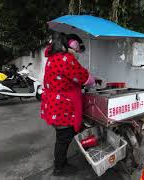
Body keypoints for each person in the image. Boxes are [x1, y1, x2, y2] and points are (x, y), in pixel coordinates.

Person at [40, 32, 94, 176]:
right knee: (63, 138)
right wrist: (91, 79)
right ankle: (59, 167)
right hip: (62, 106)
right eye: (76, 47)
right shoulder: (66, 59)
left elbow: (64, 79)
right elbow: (82, 77)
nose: (77, 51)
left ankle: (61, 162)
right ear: (70, 46)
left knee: (63, 136)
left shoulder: (52, 58)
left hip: (53, 104)